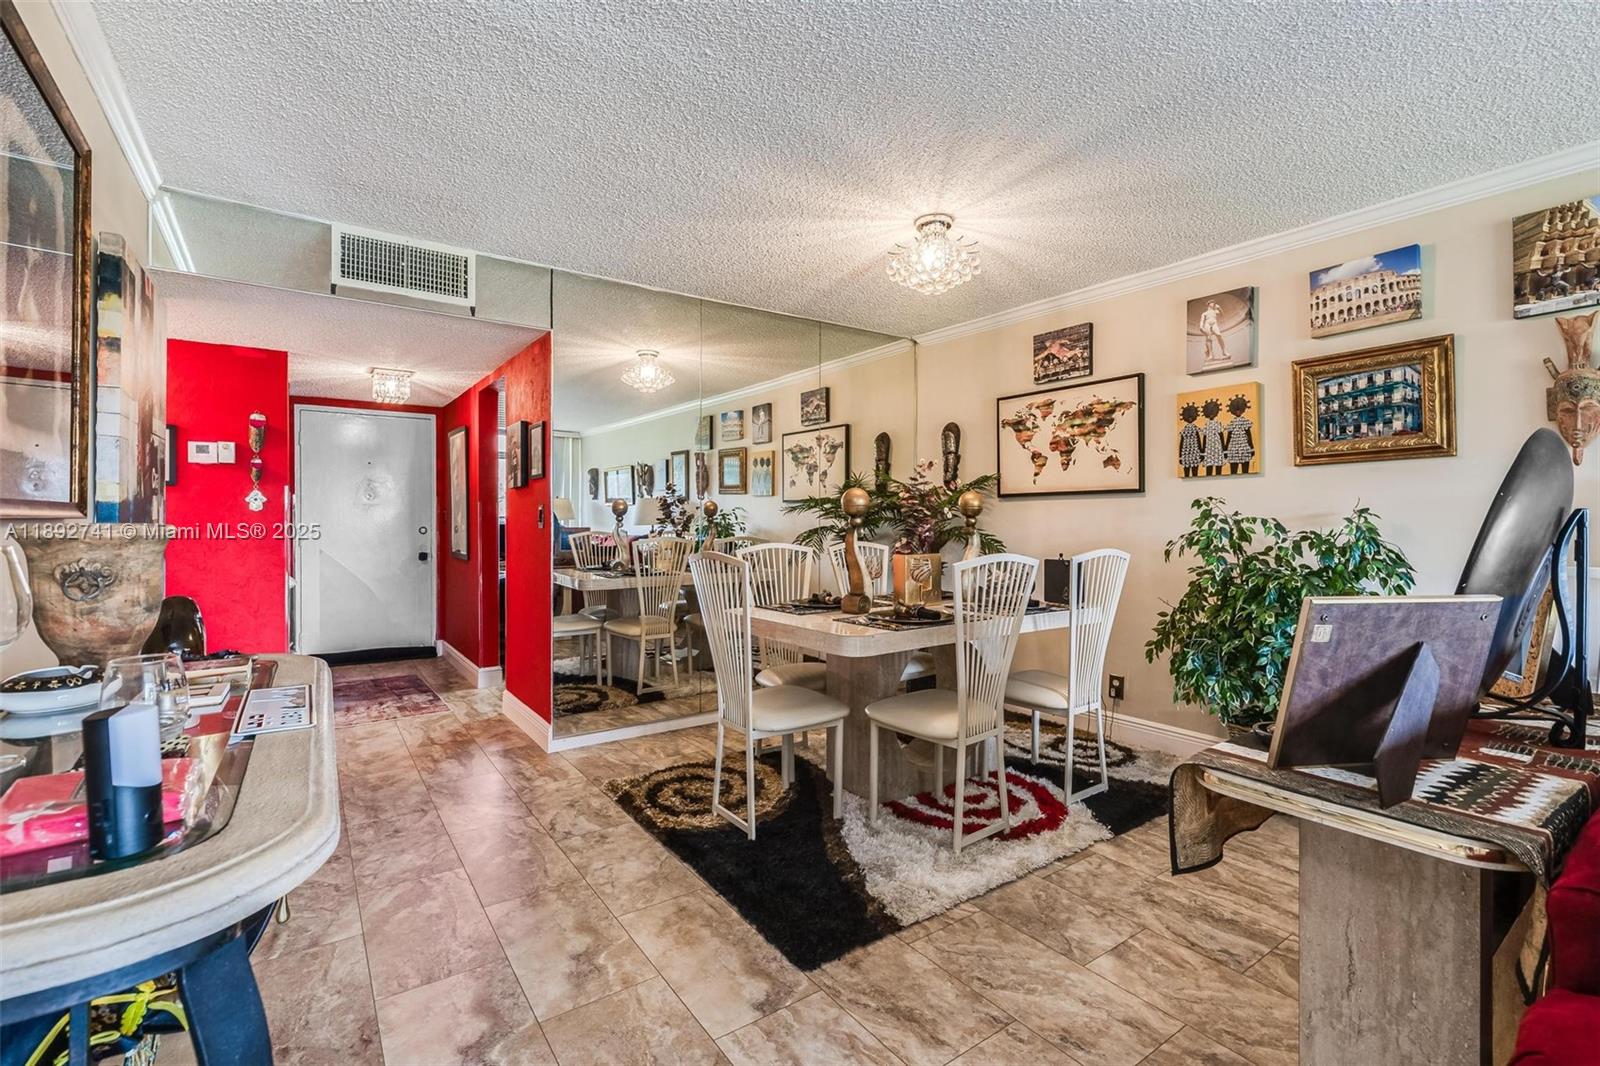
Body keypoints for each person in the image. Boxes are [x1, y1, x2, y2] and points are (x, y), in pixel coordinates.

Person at [1223, 394, 1256, 475]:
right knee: (1233, 471)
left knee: (1245, 471)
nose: (1238, 412)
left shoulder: (1245, 422)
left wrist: (1251, 448)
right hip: (1233, 449)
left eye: (1239, 410)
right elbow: (1228, 437)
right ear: (1233, 410)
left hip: (1244, 448)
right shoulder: (1232, 423)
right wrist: (1226, 450)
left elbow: (1249, 436)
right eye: (1236, 410)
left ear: (1242, 410)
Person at [1199, 300, 1230, 366]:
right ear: (1208, 304)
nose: (1213, 304)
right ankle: (1210, 355)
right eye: (1212, 303)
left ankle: (1224, 351)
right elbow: (1202, 320)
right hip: (1207, 323)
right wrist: (1201, 326)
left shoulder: (1215, 311)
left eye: (1214, 303)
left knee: (1219, 335)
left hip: (1214, 323)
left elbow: (1222, 314)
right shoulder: (1204, 313)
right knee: (1208, 338)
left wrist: (1219, 308)